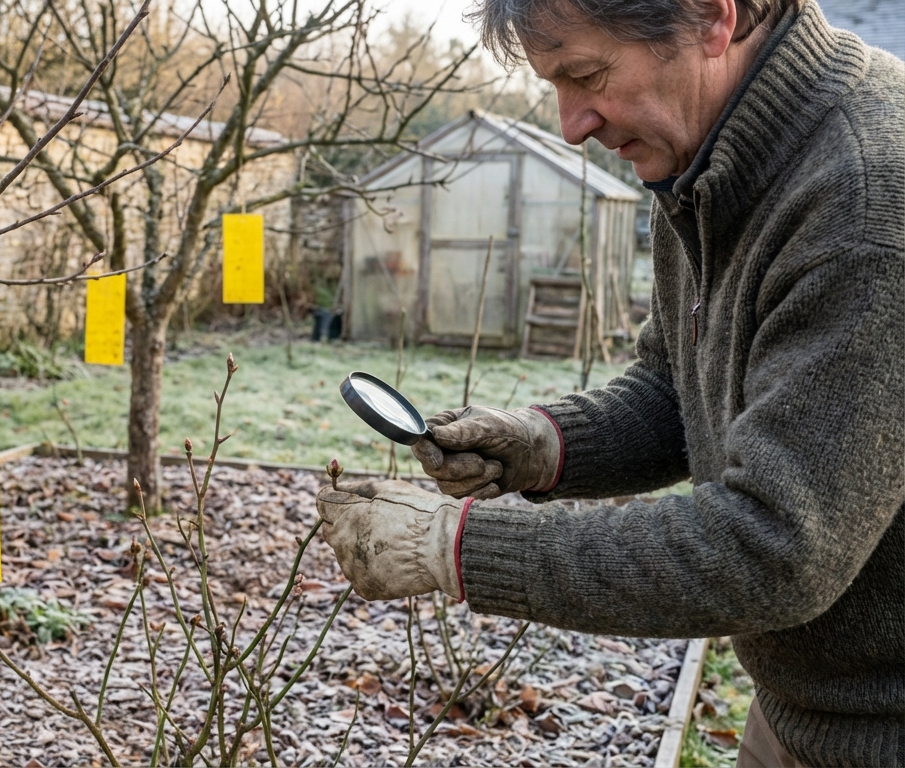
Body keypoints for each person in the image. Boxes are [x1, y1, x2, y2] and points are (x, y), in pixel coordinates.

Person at [315, 0, 905, 764]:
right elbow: (676, 384)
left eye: (587, 75)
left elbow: (777, 547)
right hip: (808, 708)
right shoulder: (704, 162)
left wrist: (455, 546)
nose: (571, 124)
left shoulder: (864, 208)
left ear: (713, 19)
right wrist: (541, 445)